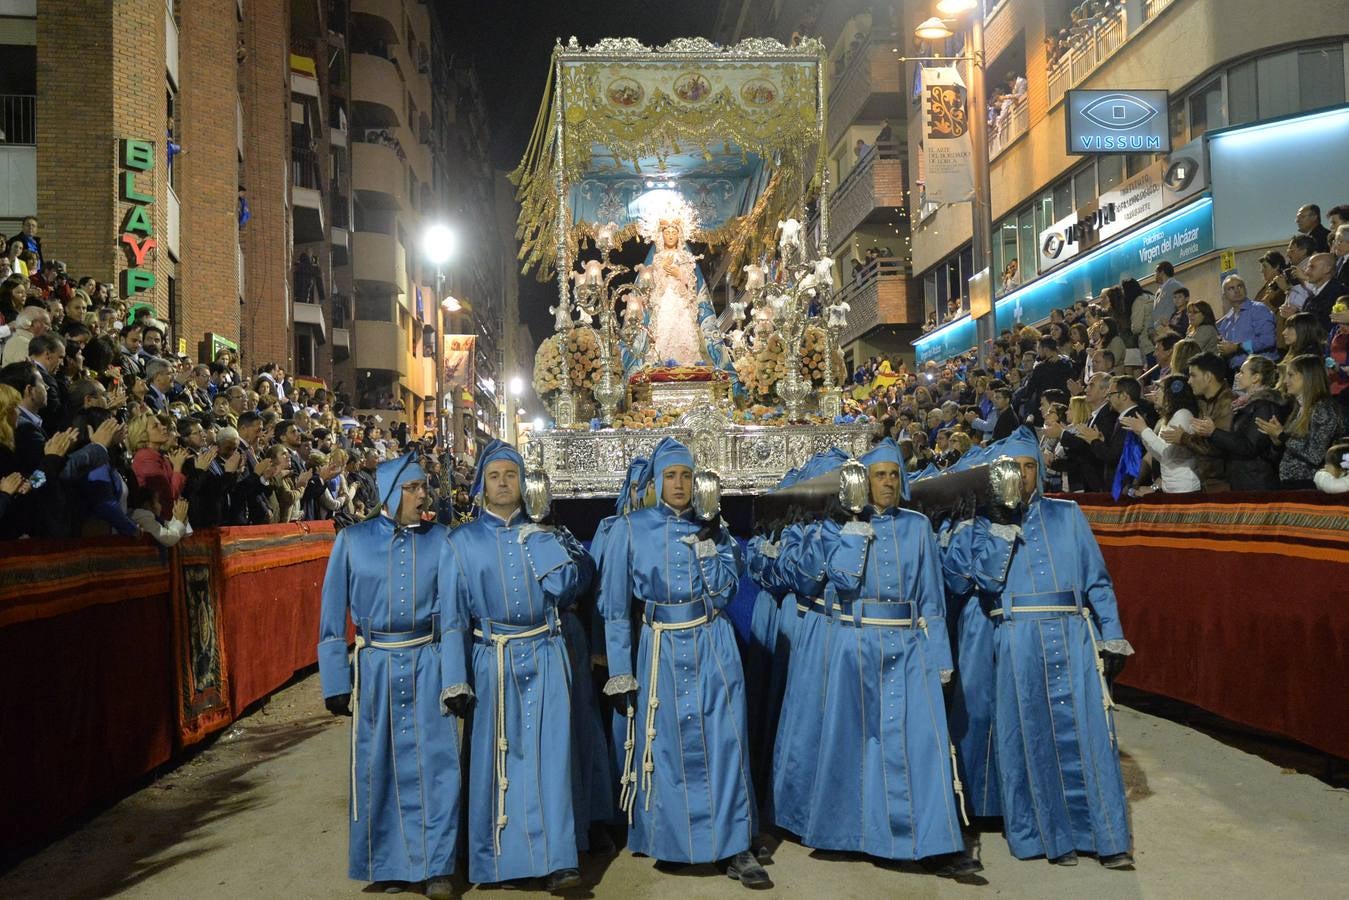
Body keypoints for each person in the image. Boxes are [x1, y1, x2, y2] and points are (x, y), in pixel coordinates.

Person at [941, 427, 1134, 869]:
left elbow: (1097, 581)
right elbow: (982, 583)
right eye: (1013, 468)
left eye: (1030, 467)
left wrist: (1111, 633)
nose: (1023, 476)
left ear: (1041, 471)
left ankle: (1106, 838)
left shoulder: (1068, 515)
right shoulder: (985, 525)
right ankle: (1049, 838)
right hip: (1017, 637)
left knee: (1088, 734)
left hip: (1071, 634)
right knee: (1028, 737)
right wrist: (1001, 529)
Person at [788, 439, 977, 876]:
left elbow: (932, 598)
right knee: (855, 743)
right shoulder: (837, 528)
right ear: (862, 481)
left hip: (909, 647)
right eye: (879, 475)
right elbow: (839, 580)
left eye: (894, 474)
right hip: (855, 645)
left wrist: (940, 657)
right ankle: (850, 835)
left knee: (920, 746)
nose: (888, 482)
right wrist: (854, 529)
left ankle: (933, 841)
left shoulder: (918, 527)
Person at [596, 437, 768, 888]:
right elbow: (615, 608)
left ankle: (736, 846)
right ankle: (670, 839)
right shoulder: (630, 530)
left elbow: (726, 594)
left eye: (687, 476)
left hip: (713, 642)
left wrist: (710, 544)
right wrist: (620, 671)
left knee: (725, 739)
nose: (679, 484)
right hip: (660, 647)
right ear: (655, 482)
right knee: (666, 745)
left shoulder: (717, 528)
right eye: (670, 476)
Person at [438, 440, 594, 890]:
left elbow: (567, 590)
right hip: (492, 659)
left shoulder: (544, 535)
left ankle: (558, 858)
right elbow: (451, 619)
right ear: (481, 485)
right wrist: (455, 680)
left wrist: (542, 544)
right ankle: (494, 863)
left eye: (512, 475)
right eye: (495, 476)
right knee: (494, 759)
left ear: (524, 483)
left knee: (551, 756)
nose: (504, 483)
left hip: (545, 651)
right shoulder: (460, 541)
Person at [317, 451, 460, 898]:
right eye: (414, 487)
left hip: (428, 663)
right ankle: (387, 862)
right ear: (391, 491)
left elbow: (454, 616)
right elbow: (330, 615)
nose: (423, 495)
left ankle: (437, 865)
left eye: (424, 487)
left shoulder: (441, 540)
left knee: (436, 765)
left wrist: (455, 676)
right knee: (377, 764)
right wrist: (336, 681)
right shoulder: (353, 541)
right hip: (375, 665)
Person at [1258, 354, 1342, 489]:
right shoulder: (1299, 409)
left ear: (1308, 377)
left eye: (1291, 375)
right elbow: (1292, 449)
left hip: (1309, 487)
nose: (1285, 381)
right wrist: (1277, 442)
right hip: (1292, 485)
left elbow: (1315, 455)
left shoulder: (1324, 409)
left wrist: (1282, 436)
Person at [1205, 355, 1285, 491]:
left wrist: (1214, 432)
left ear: (1256, 378)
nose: (1237, 376)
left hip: (1256, 483)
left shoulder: (1264, 406)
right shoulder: (1247, 404)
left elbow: (1249, 445)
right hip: (1244, 479)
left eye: (1242, 372)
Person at [1122, 375, 1200, 494]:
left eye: (1160, 389)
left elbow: (1167, 452)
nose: (1156, 393)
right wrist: (1141, 433)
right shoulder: (1169, 418)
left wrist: (1144, 430)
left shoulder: (1183, 414)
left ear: (1173, 393)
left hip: (1185, 488)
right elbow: (1161, 457)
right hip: (1171, 488)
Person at [1215, 275, 1276, 370]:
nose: (1237, 290)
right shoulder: (1225, 322)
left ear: (1245, 289)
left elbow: (1268, 340)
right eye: (1231, 288)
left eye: (1240, 286)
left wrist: (1238, 347)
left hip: (1262, 370)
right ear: (1225, 296)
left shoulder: (1258, 309)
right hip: (1238, 373)